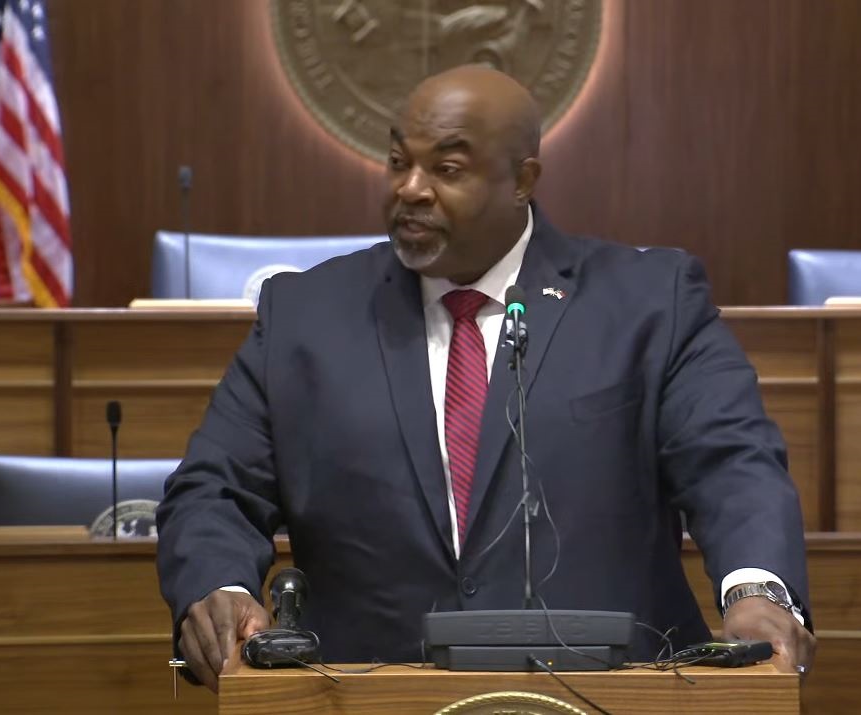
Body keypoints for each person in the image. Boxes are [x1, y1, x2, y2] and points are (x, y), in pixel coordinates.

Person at [156, 65, 815, 691]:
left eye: (445, 168)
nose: (409, 187)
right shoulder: (306, 316)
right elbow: (214, 486)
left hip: (608, 690)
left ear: (523, 178)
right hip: (362, 693)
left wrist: (757, 590)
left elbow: (733, 461)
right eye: (397, 162)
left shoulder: (649, 302)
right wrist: (221, 587)